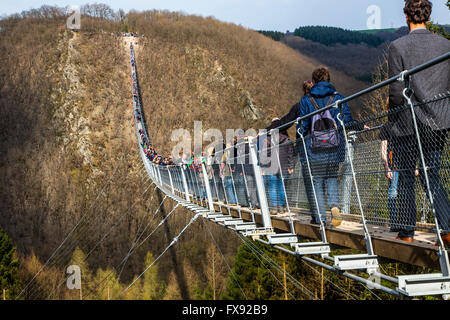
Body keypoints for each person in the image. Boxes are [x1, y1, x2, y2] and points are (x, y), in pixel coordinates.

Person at [383, 0, 450, 244]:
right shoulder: (445, 45)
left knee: (406, 176)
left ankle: (407, 232)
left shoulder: (398, 46)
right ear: (428, 16)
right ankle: (447, 228)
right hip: (439, 120)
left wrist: (390, 124)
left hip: (407, 122)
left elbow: (395, 90)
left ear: (406, 16)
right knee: (431, 173)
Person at [261, 118, 295, 213]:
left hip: (270, 167)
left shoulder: (268, 140)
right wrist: (291, 166)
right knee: (282, 187)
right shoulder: (288, 140)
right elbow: (291, 154)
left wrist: (263, 167)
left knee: (272, 187)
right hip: (284, 167)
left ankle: (274, 207)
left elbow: (264, 154)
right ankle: (281, 207)